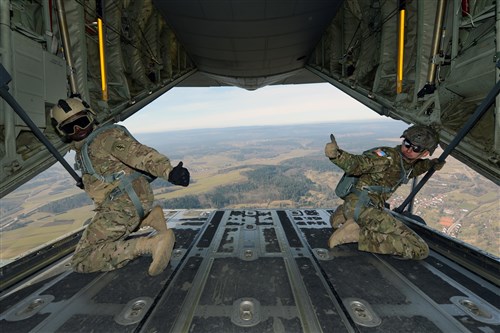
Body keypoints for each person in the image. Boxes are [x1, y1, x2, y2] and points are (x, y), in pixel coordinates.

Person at [50, 96, 190, 276]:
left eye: (82, 122)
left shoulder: (104, 138)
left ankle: (152, 244)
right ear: (63, 132)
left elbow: (138, 153)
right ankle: (149, 218)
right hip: (129, 199)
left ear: (91, 117)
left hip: (124, 203)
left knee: (82, 259)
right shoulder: (87, 146)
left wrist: (169, 172)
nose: (78, 129)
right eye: (70, 127)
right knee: (106, 231)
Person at [324, 125, 445, 260]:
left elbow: (409, 172)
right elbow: (358, 164)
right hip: (364, 209)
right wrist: (337, 156)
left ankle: (344, 215)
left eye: (416, 148)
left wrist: (430, 165)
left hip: (358, 205)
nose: (409, 150)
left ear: (425, 153)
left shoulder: (404, 162)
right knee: (419, 249)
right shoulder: (387, 157)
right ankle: (356, 234)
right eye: (407, 144)